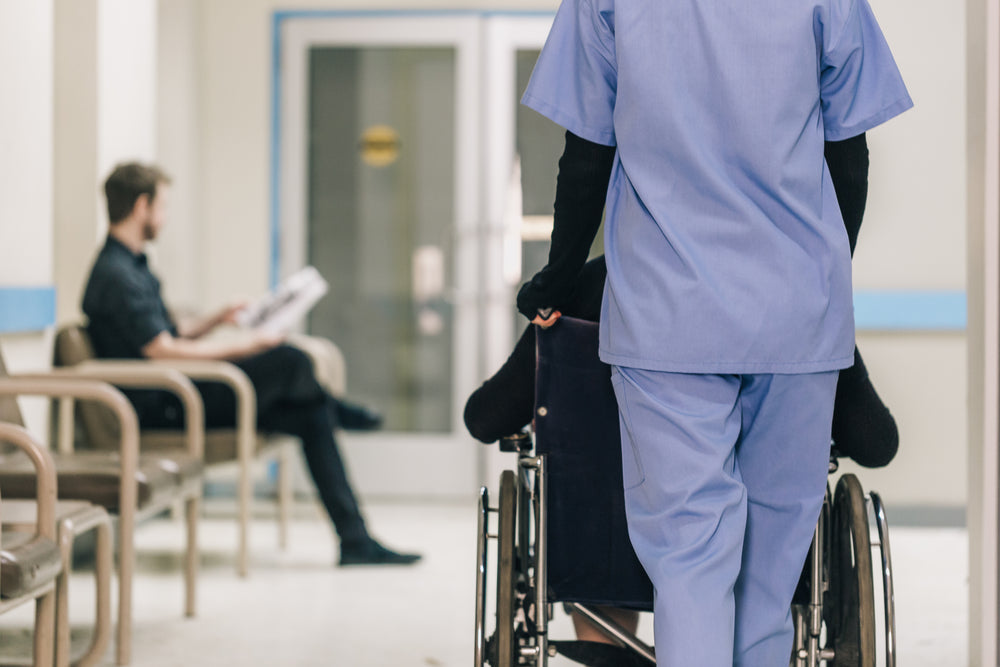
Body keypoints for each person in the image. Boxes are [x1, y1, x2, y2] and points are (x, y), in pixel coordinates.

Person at [515, 1, 912, 664]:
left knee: (690, 554)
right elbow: (849, 154)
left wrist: (555, 278)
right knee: (770, 568)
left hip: (666, 314)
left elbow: (586, 152)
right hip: (793, 315)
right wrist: (819, 275)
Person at [82, 162, 421, 567]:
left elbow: (167, 335)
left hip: (176, 388)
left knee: (311, 414)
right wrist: (245, 345)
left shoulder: (132, 265)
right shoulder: (116, 275)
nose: (165, 217)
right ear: (142, 206)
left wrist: (217, 318)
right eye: (163, 206)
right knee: (288, 359)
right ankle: (339, 409)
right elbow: (162, 351)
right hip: (166, 403)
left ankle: (355, 539)